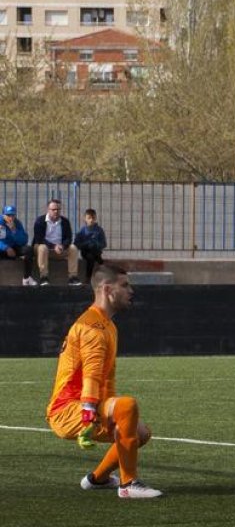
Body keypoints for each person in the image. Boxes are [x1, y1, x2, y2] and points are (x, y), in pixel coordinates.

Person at [45, 264, 162, 498]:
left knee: (140, 433)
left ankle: (97, 479)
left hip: (86, 405)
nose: (131, 291)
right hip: (68, 409)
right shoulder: (93, 328)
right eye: (125, 285)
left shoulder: (108, 325)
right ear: (108, 289)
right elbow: (92, 374)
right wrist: (89, 412)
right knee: (127, 406)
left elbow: (106, 380)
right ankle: (128, 485)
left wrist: (111, 412)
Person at [32, 198, 81, 286]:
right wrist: (53, 246)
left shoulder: (65, 221)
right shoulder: (40, 221)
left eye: (58, 209)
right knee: (42, 247)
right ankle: (44, 277)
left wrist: (63, 246)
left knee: (73, 248)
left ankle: (73, 278)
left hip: (60, 250)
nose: (56, 211)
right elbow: (39, 239)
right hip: (43, 249)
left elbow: (68, 238)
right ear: (48, 210)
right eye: (53, 209)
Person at [0, 204, 36, 286]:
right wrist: (6, 247)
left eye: (13, 215)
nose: (11, 218)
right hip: (3, 248)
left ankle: (27, 278)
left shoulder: (17, 223)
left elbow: (23, 241)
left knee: (29, 250)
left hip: (14, 248)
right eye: (8, 215)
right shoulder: (0, 222)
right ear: (3, 215)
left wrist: (14, 230)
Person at [74, 209, 107, 283]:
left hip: (96, 251)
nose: (91, 220)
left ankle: (102, 277)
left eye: (93, 218)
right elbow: (76, 243)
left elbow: (104, 243)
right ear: (85, 219)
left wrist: (96, 244)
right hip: (86, 252)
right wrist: (86, 244)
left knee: (98, 258)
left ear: (95, 218)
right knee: (90, 258)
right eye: (89, 218)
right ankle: (88, 277)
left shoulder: (99, 230)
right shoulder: (82, 231)